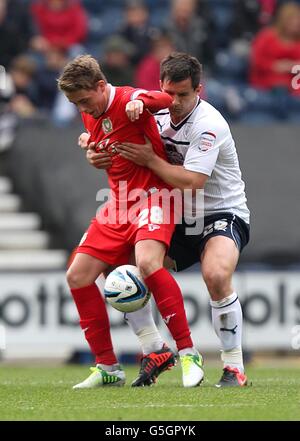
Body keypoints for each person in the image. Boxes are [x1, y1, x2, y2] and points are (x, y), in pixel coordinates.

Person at [86, 52, 250, 388]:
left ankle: (233, 366)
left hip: (220, 211)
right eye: (169, 93)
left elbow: (193, 181)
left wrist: (149, 158)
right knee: (119, 268)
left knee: (216, 274)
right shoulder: (152, 112)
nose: (173, 102)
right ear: (160, 86)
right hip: (174, 211)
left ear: (199, 90)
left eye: (183, 95)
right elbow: (112, 137)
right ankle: (155, 347)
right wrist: (93, 150)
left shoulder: (209, 124)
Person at [57, 54, 203, 389]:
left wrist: (141, 99)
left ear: (99, 85)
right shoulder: (90, 111)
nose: (83, 108)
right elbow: (102, 144)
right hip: (118, 203)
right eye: (74, 103)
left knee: (149, 265)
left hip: (154, 196)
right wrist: (90, 149)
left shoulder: (127, 100)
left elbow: (164, 98)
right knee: (77, 276)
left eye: (83, 100)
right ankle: (108, 366)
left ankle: (188, 353)